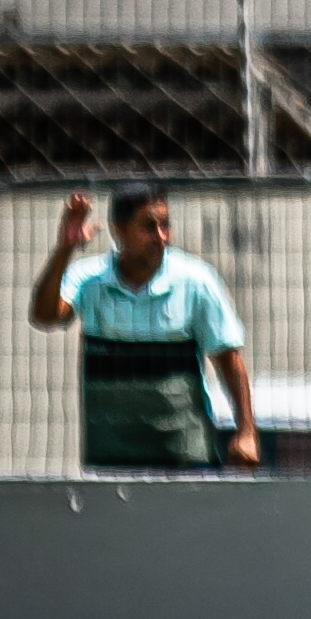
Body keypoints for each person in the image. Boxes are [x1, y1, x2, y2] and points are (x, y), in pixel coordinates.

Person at [28, 182, 259, 473]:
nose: (161, 237)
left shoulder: (196, 281)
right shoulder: (88, 280)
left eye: (166, 225)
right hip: (111, 461)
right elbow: (45, 315)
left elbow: (230, 360)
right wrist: (64, 248)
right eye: (149, 226)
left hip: (185, 459)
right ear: (119, 230)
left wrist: (247, 431)